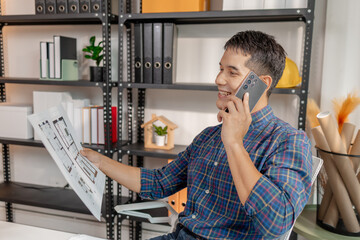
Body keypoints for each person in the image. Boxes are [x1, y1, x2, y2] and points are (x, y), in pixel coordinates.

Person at [81, 30, 312, 239]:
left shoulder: (288, 141)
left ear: (261, 84)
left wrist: (234, 143)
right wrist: (99, 161)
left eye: (232, 72)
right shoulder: (208, 137)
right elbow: (160, 183)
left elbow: (277, 223)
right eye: (221, 69)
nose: (219, 79)